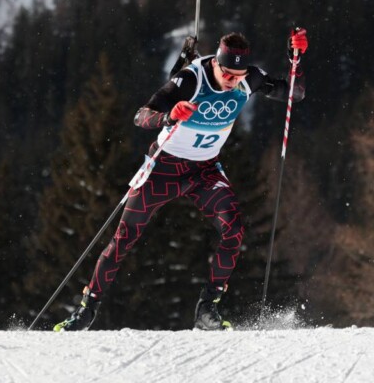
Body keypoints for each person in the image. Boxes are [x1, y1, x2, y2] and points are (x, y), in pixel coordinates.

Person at [55, 28, 309, 331]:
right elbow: (141, 116)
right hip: (164, 168)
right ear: (215, 63)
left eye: (237, 76)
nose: (232, 81)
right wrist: (169, 116)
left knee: (234, 229)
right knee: (125, 236)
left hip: (205, 171)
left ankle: (207, 308)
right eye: (227, 74)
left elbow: (294, 94)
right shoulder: (190, 79)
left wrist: (295, 60)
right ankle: (87, 309)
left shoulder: (249, 78)